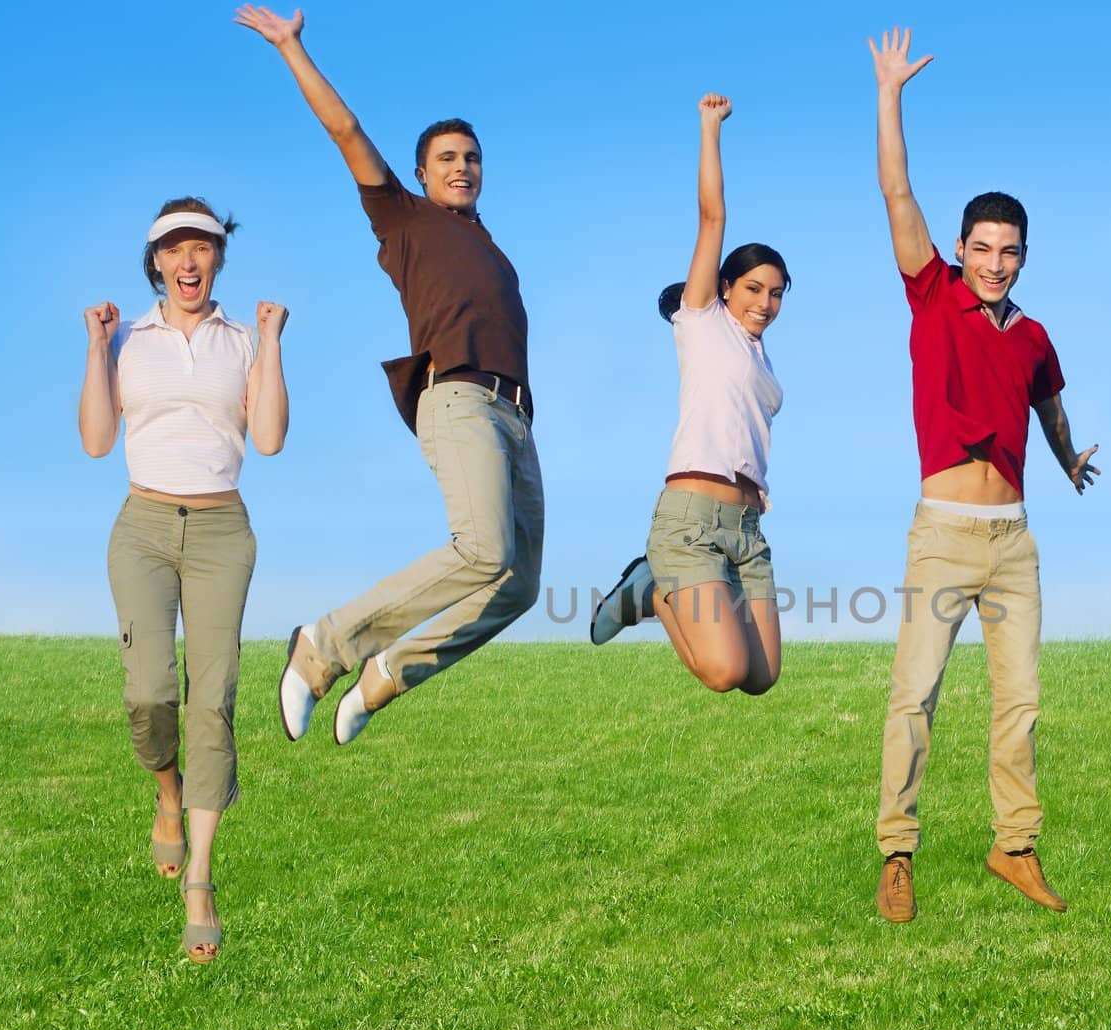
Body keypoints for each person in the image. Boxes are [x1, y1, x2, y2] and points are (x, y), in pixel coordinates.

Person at [237, 4, 541, 746]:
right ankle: (325, 646)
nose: (462, 166)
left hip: (516, 417)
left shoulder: (488, 244)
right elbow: (346, 132)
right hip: (458, 395)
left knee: (519, 584)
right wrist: (292, 49)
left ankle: (387, 673)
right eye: (447, 158)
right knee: (482, 550)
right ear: (419, 174)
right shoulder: (402, 219)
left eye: (471, 157)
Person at [869, 29, 1099, 923]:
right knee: (915, 696)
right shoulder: (932, 292)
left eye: (1010, 251)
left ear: (1024, 257)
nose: (995, 261)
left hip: (1014, 542)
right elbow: (896, 190)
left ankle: (1016, 847)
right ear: (961, 247)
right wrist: (890, 93)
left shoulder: (1035, 335)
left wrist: (1069, 456)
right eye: (983, 246)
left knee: (1022, 702)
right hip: (943, 534)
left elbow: (1047, 406)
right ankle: (897, 851)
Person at [80, 197, 290, 963]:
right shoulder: (129, 337)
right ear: (157, 263)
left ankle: (200, 877)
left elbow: (266, 438)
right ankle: (166, 793)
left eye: (203, 245)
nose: (190, 260)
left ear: (218, 257)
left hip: (220, 531)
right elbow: (98, 443)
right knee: (149, 693)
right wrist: (97, 347)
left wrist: (270, 343)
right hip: (140, 527)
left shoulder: (242, 339)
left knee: (216, 695)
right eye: (176, 249)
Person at [588, 93, 787, 697]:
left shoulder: (761, 357)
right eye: (753, 288)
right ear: (724, 288)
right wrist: (710, 129)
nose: (764, 303)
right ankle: (650, 587)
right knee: (724, 672)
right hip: (691, 522)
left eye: (777, 294)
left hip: (746, 530)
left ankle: (658, 587)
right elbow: (712, 218)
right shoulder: (701, 323)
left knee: (761, 677)